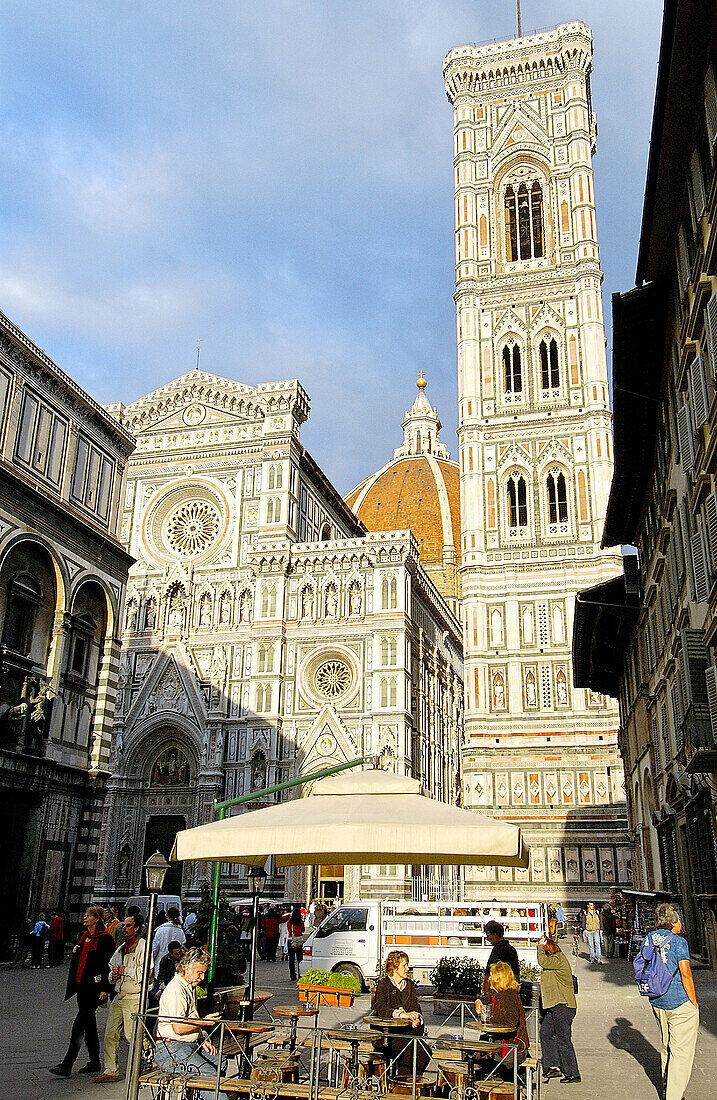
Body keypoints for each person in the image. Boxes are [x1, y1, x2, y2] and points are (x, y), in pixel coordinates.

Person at [49, 906, 115, 1078]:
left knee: (79, 1025)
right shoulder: (83, 936)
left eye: (89, 916)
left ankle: (67, 1064)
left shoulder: (105, 938)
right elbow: (80, 959)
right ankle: (94, 1061)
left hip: (94, 988)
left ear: (97, 919)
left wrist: (105, 989)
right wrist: (75, 952)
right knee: (89, 1024)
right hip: (81, 986)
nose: (85, 918)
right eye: (85, 915)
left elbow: (107, 964)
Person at [643, 903, 699, 1100]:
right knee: (681, 1051)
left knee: (666, 1044)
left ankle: (668, 1085)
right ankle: (674, 1096)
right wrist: (693, 1002)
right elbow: (686, 974)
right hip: (678, 1001)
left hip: (657, 1000)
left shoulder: (648, 939)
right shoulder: (678, 942)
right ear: (673, 921)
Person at [155, 947, 227, 1100]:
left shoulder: (189, 987)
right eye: (199, 973)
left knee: (221, 1062)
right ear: (187, 969)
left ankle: (202, 1096)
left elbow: (189, 1021)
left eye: (203, 973)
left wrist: (201, 1038)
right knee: (208, 1074)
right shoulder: (176, 989)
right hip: (171, 1048)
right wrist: (203, 1022)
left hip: (188, 1044)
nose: (202, 977)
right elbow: (179, 1027)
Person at [93, 913, 146, 1083]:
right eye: (123, 925)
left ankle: (152, 1058)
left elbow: (145, 974)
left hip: (134, 996)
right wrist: (113, 975)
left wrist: (125, 971)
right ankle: (111, 1070)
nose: (124, 928)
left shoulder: (142, 946)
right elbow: (111, 968)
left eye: (128, 926)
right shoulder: (122, 947)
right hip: (120, 995)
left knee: (132, 1036)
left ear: (136, 928)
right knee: (110, 1034)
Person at [372, 950, 430, 1074]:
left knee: (424, 1052)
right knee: (410, 1047)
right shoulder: (384, 984)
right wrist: (401, 1015)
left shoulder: (409, 985)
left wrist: (416, 1018)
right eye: (404, 965)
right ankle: (403, 1082)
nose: (407, 968)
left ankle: (410, 1082)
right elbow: (380, 1008)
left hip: (407, 1032)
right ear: (394, 967)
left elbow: (416, 1006)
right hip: (388, 1035)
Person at [537, 934, 580, 1084]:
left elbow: (543, 962)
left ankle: (572, 1073)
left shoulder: (558, 959)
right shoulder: (555, 962)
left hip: (563, 1006)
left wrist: (539, 947)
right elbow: (549, 972)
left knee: (563, 1040)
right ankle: (552, 1066)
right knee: (546, 1033)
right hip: (555, 1006)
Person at [477, 961, 530, 1080]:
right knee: (477, 1055)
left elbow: (512, 1020)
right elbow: (489, 997)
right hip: (502, 1045)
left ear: (498, 978)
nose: (489, 978)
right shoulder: (502, 993)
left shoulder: (509, 996)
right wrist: (479, 1001)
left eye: (491, 975)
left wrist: (490, 1020)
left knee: (483, 1063)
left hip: (513, 1047)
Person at [481, 920, 520, 993]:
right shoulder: (512, 949)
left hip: (499, 990)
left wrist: (486, 990)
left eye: (488, 935)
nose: (488, 939)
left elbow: (489, 972)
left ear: (495, 935)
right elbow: (516, 974)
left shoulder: (498, 950)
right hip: (511, 989)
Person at [152, 906, 186, 973]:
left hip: (160, 962)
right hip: (176, 964)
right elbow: (183, 945)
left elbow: (155, 949)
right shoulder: (180, 931)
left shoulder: (160, 930)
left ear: (167, 917)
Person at [286, 906, 305, 982]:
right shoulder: (301, 922)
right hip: (299, 940)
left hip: (291, 940)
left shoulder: (290, 922)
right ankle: (300, 974)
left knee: (291, 959)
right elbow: (303, 930)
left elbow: (288, 930)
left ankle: (292, 975)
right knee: (300, 959)